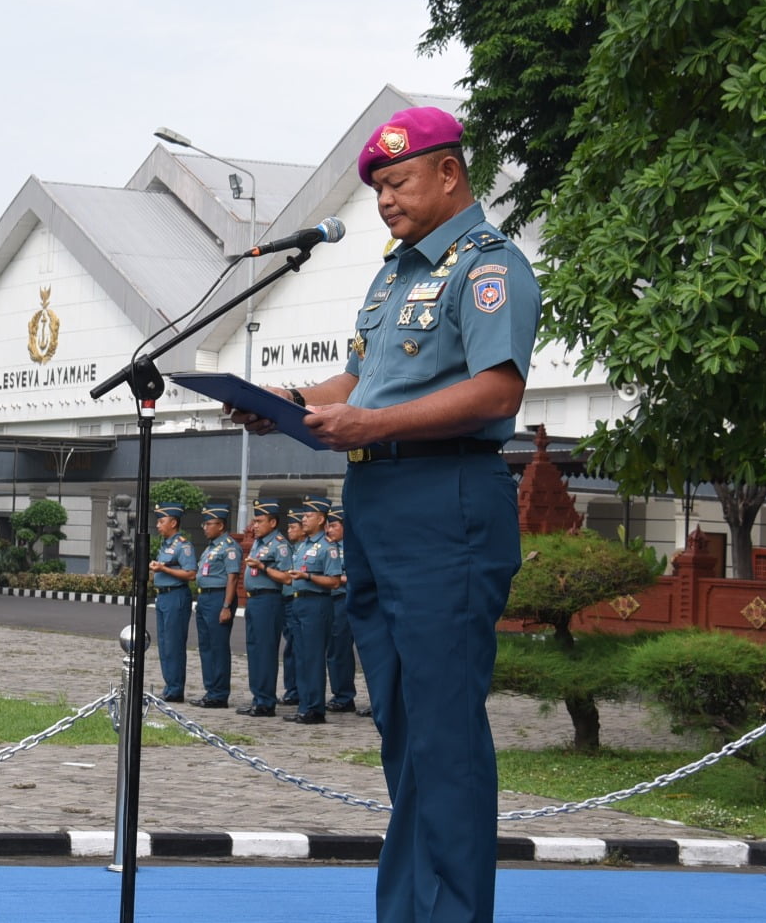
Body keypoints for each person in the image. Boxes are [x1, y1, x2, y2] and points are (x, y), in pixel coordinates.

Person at [227, 105, 539, 923]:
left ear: (449, 172)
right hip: (378, 504)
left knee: (444, 730)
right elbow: (356, 385)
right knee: (400, 727)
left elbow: (498, 388)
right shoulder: (394, 275)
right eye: (377, 189)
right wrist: (284, 402)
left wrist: (369, 425)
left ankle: (454, 912)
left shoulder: (487, 266)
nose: (385, 201)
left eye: (397, 182)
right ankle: (408, 910)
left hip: (447, 503)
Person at [281, 495, 343, 725]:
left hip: (316, 603)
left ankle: (315, 708)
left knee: (314, 657)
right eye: (303, 515)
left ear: (321, 519)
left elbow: (334, 581)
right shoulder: (302, 546)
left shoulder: (328, 548)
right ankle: (304, 704)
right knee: (301, 656)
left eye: (308, 516)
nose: (303, 519)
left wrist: (307, 576)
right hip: (298, 602)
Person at [235, 499, 291, 716]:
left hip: (269, 600)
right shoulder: (259, 543)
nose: (254, 525)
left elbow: (286, 577)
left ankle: (266, 701)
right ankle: (258, 696)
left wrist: (263, 567)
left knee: (266, 651)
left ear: (273, 522)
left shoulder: (279, 545)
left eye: (259, 521)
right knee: (254, 650)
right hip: (254, 600)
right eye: (254, 521)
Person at [190, 503, 240, 708]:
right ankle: (210, 690)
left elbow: (233, 578)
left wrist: (226, 606)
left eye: (209, 523)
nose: (204, 527)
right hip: (205, 598)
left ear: (220, 525)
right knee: (206, 646)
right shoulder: (212, 547)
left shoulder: (229, 546)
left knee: (218, 647)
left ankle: (219, 694)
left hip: (219, 597)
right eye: (204, 523)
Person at [148, 502, 196, 703]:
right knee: (165, 644)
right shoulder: (166, 544)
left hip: (176, 595)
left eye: (162, 521)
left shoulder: (183, 545)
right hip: (164, 596)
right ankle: (169, 686)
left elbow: (191, 573)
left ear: (173, 522)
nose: (158, 525)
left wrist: (164, 570)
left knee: (174, 644)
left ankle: (175, 689)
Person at [322, 506, 359, 715]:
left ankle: (347, 696)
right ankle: (341, 694)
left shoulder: (353, 549)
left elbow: (358, 575)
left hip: (346, 598)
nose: (329, 530)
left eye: (334, 525)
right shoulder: (329, 548)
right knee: (335, 649)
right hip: (332, 600)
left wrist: (334, 579)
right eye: (327, 525)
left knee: (345, 650)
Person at [279, 514, 305, 706]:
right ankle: (292, 689)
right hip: (287, 600)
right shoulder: (293, 549)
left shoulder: (307, 549)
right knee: (290, 649)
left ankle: (297, 690)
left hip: (299, 601)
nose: (289, 531)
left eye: (293, 527)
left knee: (298, 648)